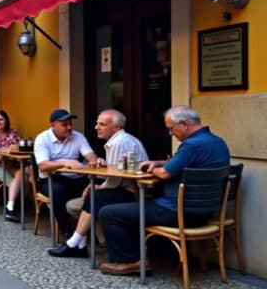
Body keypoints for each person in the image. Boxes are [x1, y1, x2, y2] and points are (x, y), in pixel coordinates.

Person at [98, 106, 230, 276]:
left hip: (176, 211)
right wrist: (159, 162)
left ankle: (130, 261)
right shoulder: (216, 141)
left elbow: (165, 173)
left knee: (109, 213)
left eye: (171, 128)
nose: (170, 133)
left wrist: (151, 169)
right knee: (133, 208)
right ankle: (148, 253)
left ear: (184, 124)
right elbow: (179, 162)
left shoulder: (191, 145)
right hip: (205, 212)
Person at [49, 109, 148, 258]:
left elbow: (115, 181)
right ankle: (80, 244)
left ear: (116, 128)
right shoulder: (120, 140)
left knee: (92, 197)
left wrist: (97, 186)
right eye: (97, 124)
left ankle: (75, 243)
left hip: (134, 193)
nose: (96, 127)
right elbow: (118, 171)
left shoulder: (118, 142)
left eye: (101, 124)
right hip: (129, 189)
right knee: (87, 198)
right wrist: (104, 166)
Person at [34, 109, 99, 239]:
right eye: (64, 124)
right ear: (53, 125)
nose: (69, 127)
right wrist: (65, 163)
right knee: (58, 191)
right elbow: (42, 165)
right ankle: (67, 233)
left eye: (70, 124)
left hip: (76, 179)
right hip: (50, 179)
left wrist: (96, 161)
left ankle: (93, 232)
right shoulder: (42, 138)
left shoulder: (78, 136)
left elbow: (90, 155)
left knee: (97, 188)